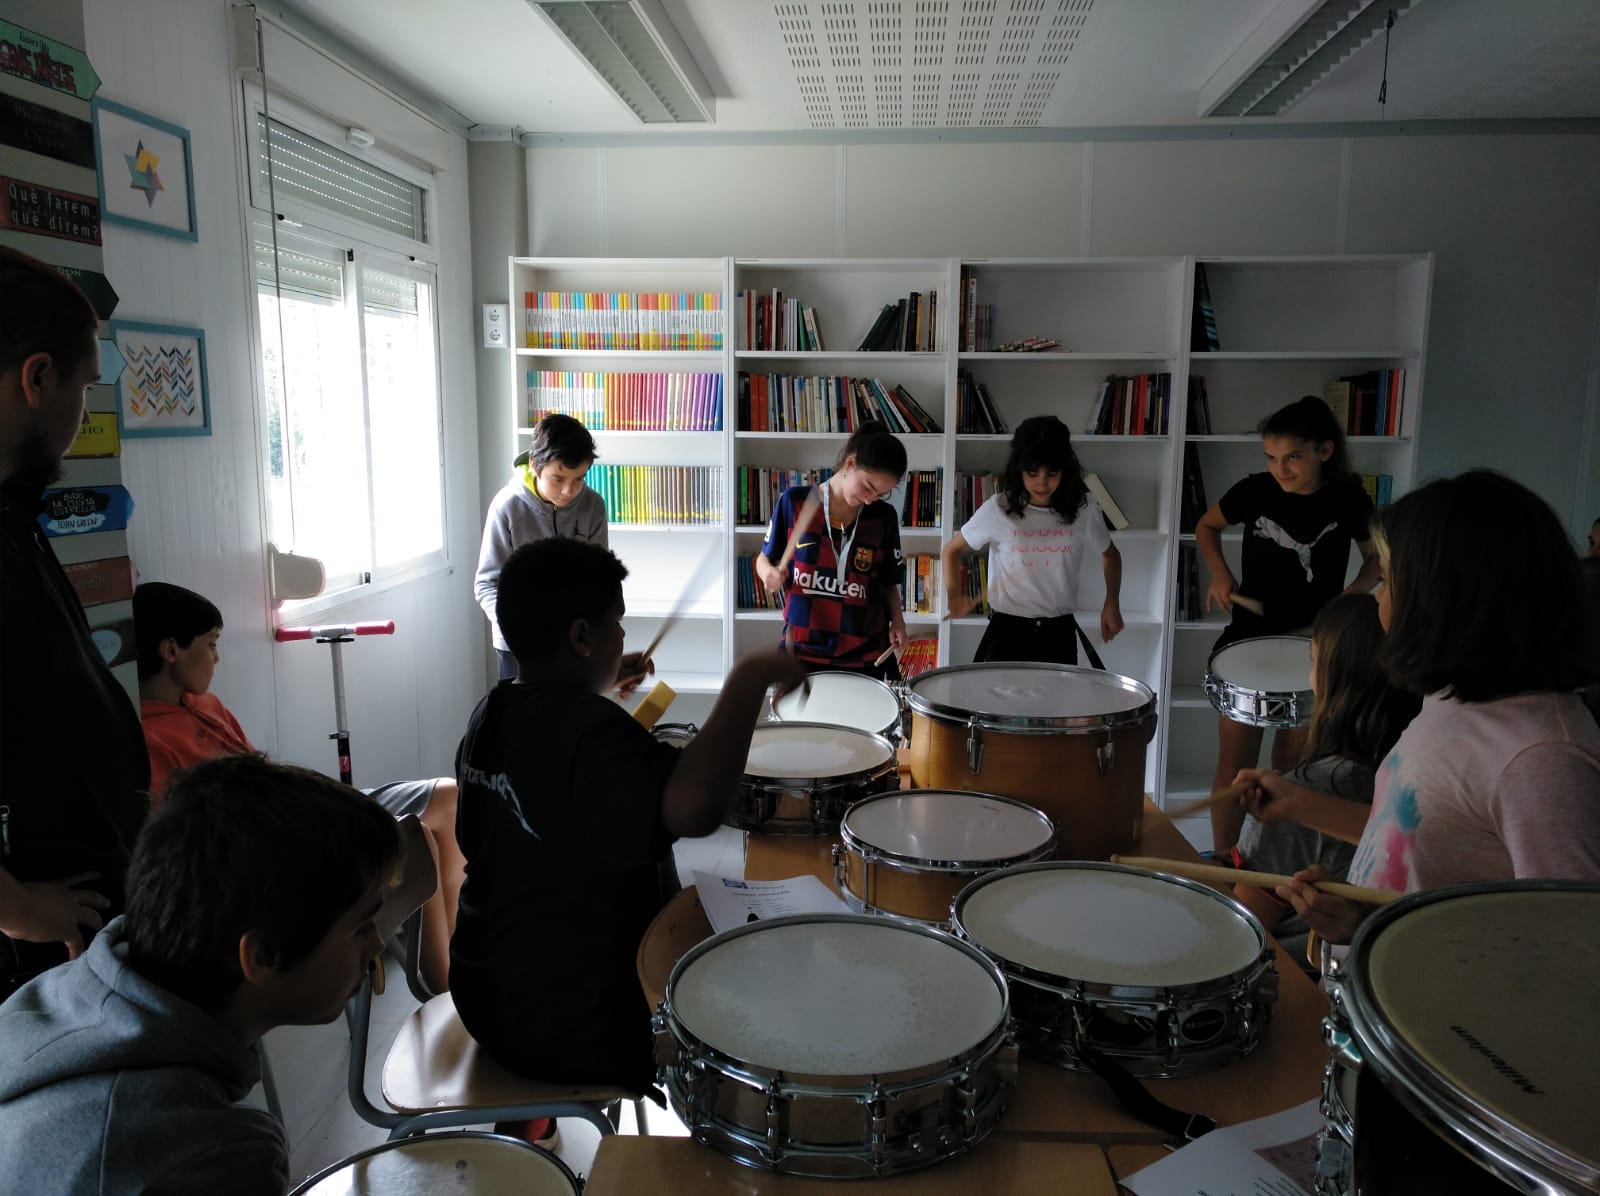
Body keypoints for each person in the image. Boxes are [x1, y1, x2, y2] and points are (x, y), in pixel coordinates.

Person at [450, 537, 808, 1099]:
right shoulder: (593, 733)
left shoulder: (489, 714)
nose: (623, 637)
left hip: (485, 997)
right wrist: (749, 675)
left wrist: (598, 681)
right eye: (616, 624)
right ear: (581, 638)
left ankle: (533, 1119)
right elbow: (696, 809)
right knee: (777, 985)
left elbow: (542, 783)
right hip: (584, 1025)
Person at [0, 754, 402, 1195]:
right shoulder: (205, 1156)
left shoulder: (47, 1002)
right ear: (264, 956)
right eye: (362, 926)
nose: (377, 945)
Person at [1247, 471, 1600, 948]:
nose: (1377, 597)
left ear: (1444, 599)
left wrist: (1374, 929)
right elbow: (1428, 837)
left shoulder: (1542, 762)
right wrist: (1301, 807)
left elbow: (1570, 949)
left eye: (1389, 581)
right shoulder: (1451, 698)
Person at [131, 580, 464, 995]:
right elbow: (192, 838)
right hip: (274, 845)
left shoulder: (206, 704)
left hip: (299, 813)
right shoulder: (149, 737)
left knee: (449, 796)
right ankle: (445, 990)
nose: (217, 657)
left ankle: (461, 956)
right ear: (170, 650)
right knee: (417, 839)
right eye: (211, 643)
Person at [0, 247, 150, 997]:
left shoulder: (13, 517)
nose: (83, 413)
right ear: (37, 379)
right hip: (37, 941)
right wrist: (15, 908)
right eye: (86, 386)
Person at [1195, 395, 1379, 851]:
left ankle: (1266, 866)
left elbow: (1377, 557)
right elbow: (1206, 526)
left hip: (1314, 646)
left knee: (1292, 775)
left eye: (1293, 457)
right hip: (1249, 639)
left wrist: (1354, 592)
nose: (1281, 469)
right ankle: (1223, 862)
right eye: (1271, 458)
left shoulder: (1348, 498)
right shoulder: (1254, 490)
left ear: (1324, 451)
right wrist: (1220, 573)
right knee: (1234, 768)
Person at [1226, 593, 1419, 966]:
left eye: (1314, 661)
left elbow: (1237, 935)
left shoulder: (1311, 791)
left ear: (1336, 679)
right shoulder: (1408, 777)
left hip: (1286, 977)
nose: (1309, 676)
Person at [941, 415, 1124, 663]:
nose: (1042, 482)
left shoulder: (1084, 510)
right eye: (1032, 472)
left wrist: (1112, 601)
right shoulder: (999, 508)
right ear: (1018, 469)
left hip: (1059, 633)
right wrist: (954, 595)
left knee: (1058, 691)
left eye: (1052, 472)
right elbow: (951, 551)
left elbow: (1110, 554)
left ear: (1065, 468)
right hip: (1006, 632)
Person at [754, 421, 909, 679]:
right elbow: (763, 559)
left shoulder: (883, 517)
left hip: (864, 653)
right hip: (802, 649)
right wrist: (768, 573)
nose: (870, 499)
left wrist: (899, 622)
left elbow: (888, 581)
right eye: (868, 487)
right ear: (849, 464)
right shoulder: (794, 502)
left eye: (880, 494)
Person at [476, 413, 620, 683]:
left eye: (579, 479)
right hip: (518, 646)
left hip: (572, 643)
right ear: (534, 464)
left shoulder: (593, 506)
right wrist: (517, 630)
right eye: (558, 479)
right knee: (525, 709)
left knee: (569, 709)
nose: (568, 491)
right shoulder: (506, 507)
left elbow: (600, 577)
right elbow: (486, 584)